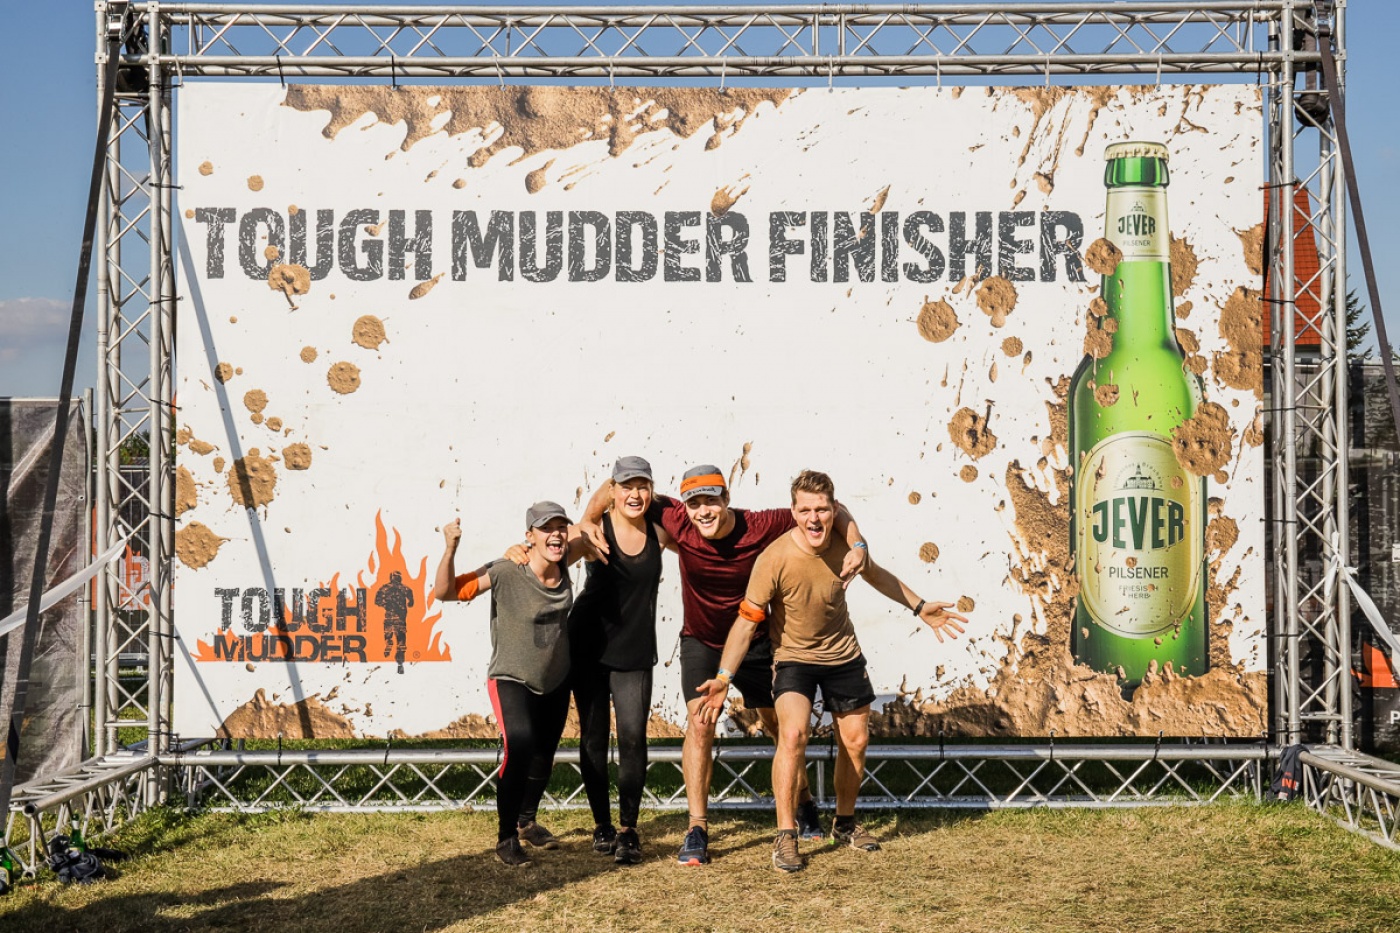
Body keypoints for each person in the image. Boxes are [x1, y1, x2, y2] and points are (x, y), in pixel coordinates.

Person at [580, 463, 868, 866]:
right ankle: (697, 828)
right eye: (694, 503)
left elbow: (833, 511)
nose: (703, 511)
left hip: (756, 640)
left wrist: (858, 545)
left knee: (781, 729)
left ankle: (802, 800)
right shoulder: (675, 517)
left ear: (727, 499)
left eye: (711, 501)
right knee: (700, 724)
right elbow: (614, 488)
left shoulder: (761, 524)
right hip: (702, 641)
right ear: (685, 507)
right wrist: (587, 519)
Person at [696, 470, 969, 873]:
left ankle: (844, 823)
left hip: (843, 656)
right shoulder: (773, 558)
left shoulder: (848, 548)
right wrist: (723, 677)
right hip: (793, 658)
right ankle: (786, 835)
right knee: (792, 735)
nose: (814, 518)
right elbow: (746, 622)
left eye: (822, 509)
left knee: (856, 741)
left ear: (834, 509)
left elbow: (878, 576)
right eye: (805, 510)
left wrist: (918, 606)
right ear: (793, 512)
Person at [432, 501, 591, 867]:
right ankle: (506, 838)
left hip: (555, 679)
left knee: (543, 756)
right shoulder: (506, 569)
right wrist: (450, 548)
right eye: (546, 528)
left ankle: (526, 821)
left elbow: (593, 520)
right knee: (519, 746)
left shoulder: (566, 560)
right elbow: (445, 591)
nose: (556, 534)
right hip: (511, 677)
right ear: (529, 535)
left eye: (560, 527)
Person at [569, 456, 676, 865]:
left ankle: (628, 830)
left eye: (642, 486)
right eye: (626, 486)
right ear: (611, 490)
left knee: (632, 738)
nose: (635, 494)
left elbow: (703, 542)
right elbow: (549, 558)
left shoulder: (659, 531)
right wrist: (520, 554)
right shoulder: (592, 531)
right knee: (593, 739)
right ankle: (602, 824)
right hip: (588, 648)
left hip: (635, 651)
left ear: (651, 490)